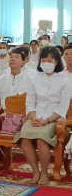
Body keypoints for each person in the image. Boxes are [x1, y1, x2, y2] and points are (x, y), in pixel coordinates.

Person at [13, 46, 69, 185]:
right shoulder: (35, 79)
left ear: (56, 62)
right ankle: (35, 171)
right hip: (35, 116)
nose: (46, 63)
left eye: (50, 60)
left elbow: (63, 107)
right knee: (25, 137)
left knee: (41, 139)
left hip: (53, 119)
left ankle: (44, 173)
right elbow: (30, 103)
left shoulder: (64, 81)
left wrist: (47, 120)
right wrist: (33, 117)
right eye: (43, 60)